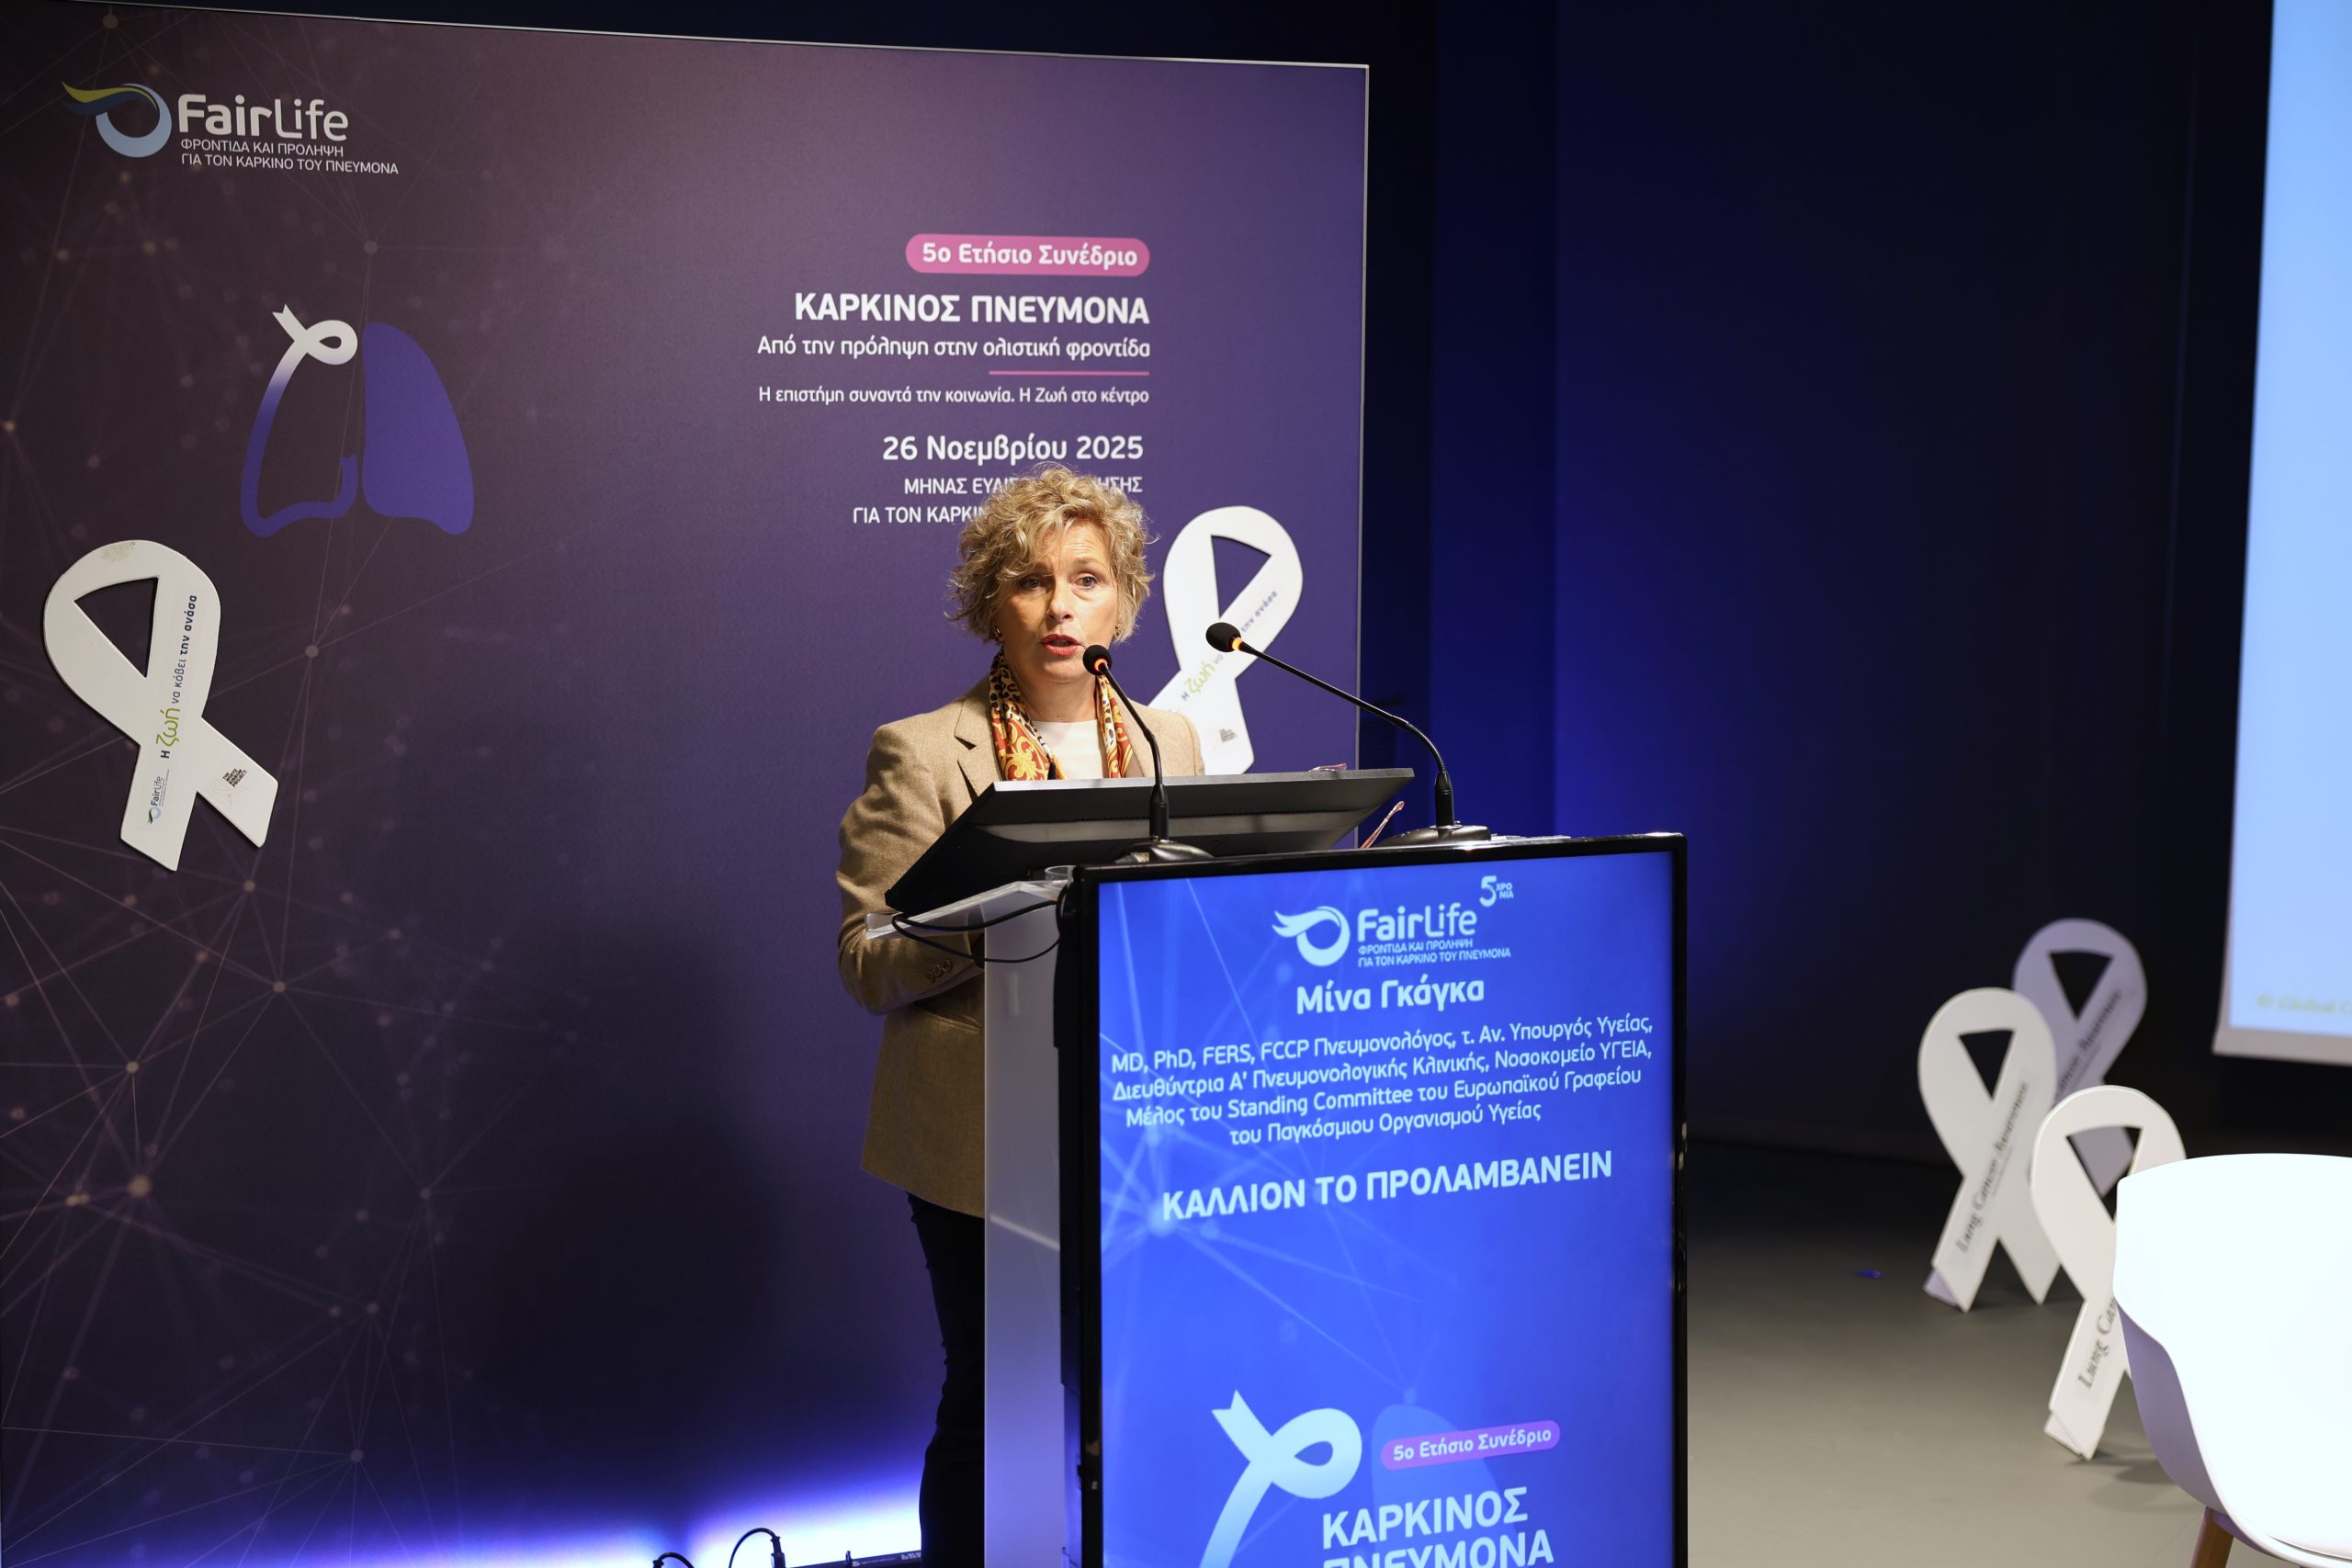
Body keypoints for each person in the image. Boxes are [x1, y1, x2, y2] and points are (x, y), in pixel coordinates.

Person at [834, 468, 1203, 1566]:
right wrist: (999, 908)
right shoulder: (922, 750)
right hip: (981, 1138)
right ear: (989, 605)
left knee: (1135, 1386)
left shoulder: (1169, 743)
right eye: (1030, 582)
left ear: (1122, 603)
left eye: (1086, 579)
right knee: (996, 1400)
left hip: (1139, 1126)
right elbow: (866, 962)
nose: (1059, 607)